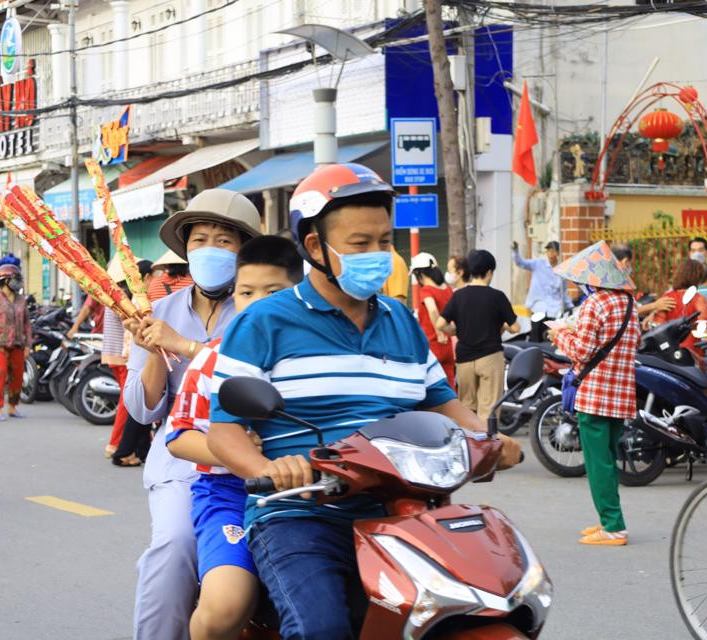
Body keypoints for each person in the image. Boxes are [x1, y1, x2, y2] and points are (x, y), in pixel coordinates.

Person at [206, 163, 521, 640]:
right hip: (303, 514)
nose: (377, 254)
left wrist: (489, 438)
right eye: (360, 243)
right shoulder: (264, 321)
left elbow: (440, 402)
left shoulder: (401, 319)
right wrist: (268, 468)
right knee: (323, 628)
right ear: (316, 247)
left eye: (384, 241)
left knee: (476, 603)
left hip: (404, 508)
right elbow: (224, 429)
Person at [122, 189, 262, 640]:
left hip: (264, 456)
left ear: (244, 250)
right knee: (176, 543)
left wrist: (184, 346)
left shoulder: (262, 310)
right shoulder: (157, 312)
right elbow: (142, 409)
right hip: (186, 462)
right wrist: (154, 351)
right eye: (200, 240)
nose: (209, 250)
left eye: (224, 241)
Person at [166, 235, 302, 640]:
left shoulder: (318, 358)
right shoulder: (212, 359)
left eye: (273, 292)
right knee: (224, 608)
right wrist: (233, 451)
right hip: (230, 496)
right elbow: (180, 436)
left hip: (309, 495)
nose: (257, 303)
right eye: (246, 292)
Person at [548, 241, 641, 546]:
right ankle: (607, 519)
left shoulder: (595, 304)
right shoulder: (629, 303)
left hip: (596, 395)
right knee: (607, 460)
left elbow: (582, 351)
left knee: (597, 464)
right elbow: (633, 343)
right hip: (621, 394)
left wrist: (559, 335)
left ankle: (613, 526)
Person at [436, 249, 520, 419]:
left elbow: (440, 324)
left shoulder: (458, 296)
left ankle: (469, 436)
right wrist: (503, 326)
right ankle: (487, 436)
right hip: (490, 357)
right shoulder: (497, 296)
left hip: (464, 360)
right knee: (488, 410)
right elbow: (515, 328)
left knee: (467, 409)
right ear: (489, 272)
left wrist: (454, 331)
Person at [104, 258, 155, 462]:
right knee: (130, 402)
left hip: (118, 353)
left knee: (133, 401)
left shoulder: (120, 294)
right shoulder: (127, 298)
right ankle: (116, 445)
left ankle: (141, 447)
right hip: (124, 355)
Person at [0, 265, 32, 421]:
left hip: (18, 344)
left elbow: (27, 324)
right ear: (5, 281)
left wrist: (28, 345)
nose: (18, 283)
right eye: (15, 279)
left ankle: (12, 407)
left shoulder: (21, 300)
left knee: (18, 376)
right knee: (0, 375)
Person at [648, 259, 707, 360]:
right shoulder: (699, 299)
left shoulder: (666, 298)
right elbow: (704, 327)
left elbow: (659, 328)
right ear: (698, 278)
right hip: (692, 353)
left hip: (669, 353)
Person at [411, 252, 456, 388]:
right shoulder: (448, 290)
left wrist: (439, 332)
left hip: (431, 347)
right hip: (448, 347)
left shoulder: (426, 290)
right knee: (449, 388)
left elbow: (432, 309)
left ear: (420, 274)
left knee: (429, 389)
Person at [512, 240, 572, 339]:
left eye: (553, 251)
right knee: (535, 337)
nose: (550, 253)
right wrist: (515, 251)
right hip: (538, 308)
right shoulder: (538, 263)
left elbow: (563, 292)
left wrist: (570, 306)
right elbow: (520, 263)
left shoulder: (561, 270)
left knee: (550, 338)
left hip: (554, 311)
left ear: (558, 253)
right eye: (548, 251)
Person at [612, 244, 675, 318]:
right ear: (625, 261)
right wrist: (655, 305)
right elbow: (625, 311)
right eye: (629, 263)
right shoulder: (615, 282)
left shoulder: (605, 279)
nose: (630, 268)